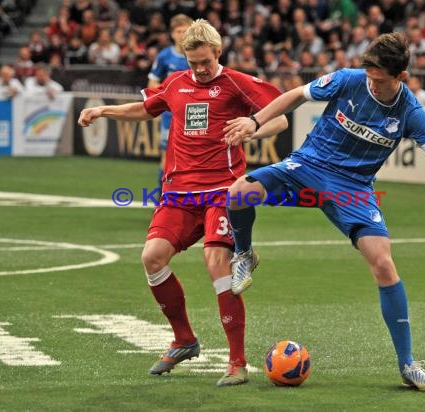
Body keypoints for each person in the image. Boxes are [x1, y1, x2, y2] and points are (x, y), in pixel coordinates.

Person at [223, 32, 425, 392]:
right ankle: (244, 254)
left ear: (401, 77)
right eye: (369, 77)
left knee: (384, 263)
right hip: (309, 166)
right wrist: (254, 121)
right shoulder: (348, 80)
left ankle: (408, 364)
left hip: (354, 189)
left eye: (379, 80)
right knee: (238, 194)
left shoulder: (410, 111)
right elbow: (296, 96)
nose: (371, 85)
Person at [78, 19, 287, 387]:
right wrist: (102, 111)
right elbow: (147, 109)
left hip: (222, 191)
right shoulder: (176, 82)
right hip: (178, 193)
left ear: (218, 53)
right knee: (151, 257)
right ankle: (184, 340)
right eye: (193, 63)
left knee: (216, 262)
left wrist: (254, 126)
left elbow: (281, 119)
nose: (200, 70)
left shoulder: (237, 82)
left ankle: (237, 363)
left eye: (205, 62)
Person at [147, 14, 193, 195]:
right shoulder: (165, 56)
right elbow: (152, 84)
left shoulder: (198, 54)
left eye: (185, 31)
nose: (182, 35)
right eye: (179, 31)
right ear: (172, 34)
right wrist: (166, 99)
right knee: (167, 156)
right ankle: (162, 196)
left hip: (195, 113)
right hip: (171, 116)